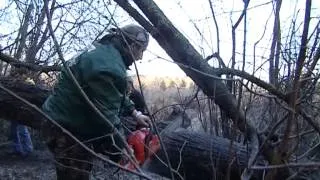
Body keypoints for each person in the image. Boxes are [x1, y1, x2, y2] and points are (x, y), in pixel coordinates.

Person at [41, 24, 151, 180]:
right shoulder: (109, 67)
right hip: (66, 129)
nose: (140, 57)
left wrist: (134, 112)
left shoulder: (102, 51)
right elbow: (105, 115)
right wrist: (122, 147)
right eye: (141, 51)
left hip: (60, 119)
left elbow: (111, 93)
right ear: (132, 45)